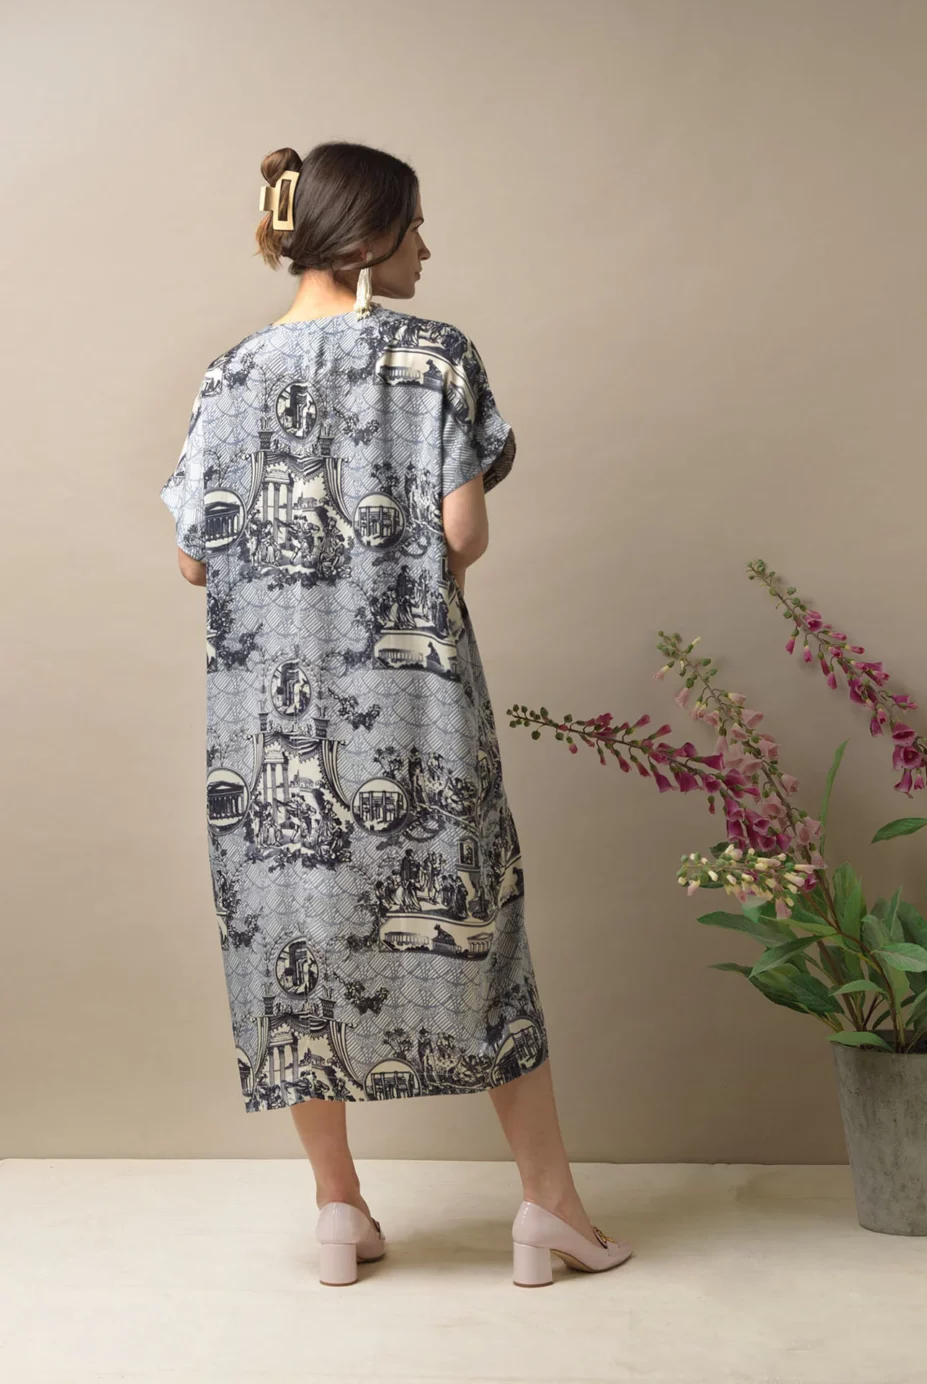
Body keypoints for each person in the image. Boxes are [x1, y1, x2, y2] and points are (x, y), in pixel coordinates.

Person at [159, 140, 632, 1287]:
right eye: (416, 224)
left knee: (295, 951)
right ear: (369, 236)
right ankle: (549, 1209)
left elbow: (193, 558)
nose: (428, 245)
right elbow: (463, 532)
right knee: (481, 936)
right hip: (417, 715)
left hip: (267, 731)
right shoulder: (432, 358)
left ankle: (339, 1211)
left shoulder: (228, 376)